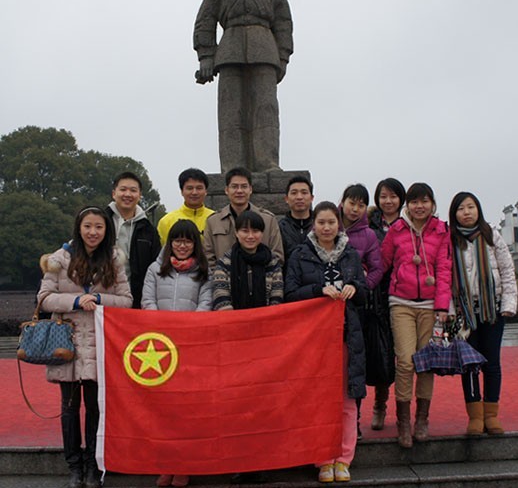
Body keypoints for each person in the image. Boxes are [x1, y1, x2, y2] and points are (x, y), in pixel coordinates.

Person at [38, 207, 133, 488]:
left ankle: (93, 464)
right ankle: (74, 467)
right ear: (79, 228)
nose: (93, 232)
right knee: (69, 407)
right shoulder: (59, 259)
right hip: (66, 340)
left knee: (95, 408)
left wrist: (99, 299)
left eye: (99, 227)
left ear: (107, 231)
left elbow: (126, 300)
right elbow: (44, 298)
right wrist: (76, 302)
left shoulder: (114, 259)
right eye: (88, 226)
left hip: (100, 341)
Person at [193, 0, 293, 172]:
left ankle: (267, 163)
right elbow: (205, 21)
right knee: (230, 111)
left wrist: (283, 56)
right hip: (229, 50)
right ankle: (232, 166)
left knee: (266, 109)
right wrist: (206, 55)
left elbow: (283, 22)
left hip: (264, 49)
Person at [285, 201, 367, 483]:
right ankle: (322, 458)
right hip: (313, 341)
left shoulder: (351, 255)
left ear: (338, 224)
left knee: (346, 399)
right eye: (321, 222)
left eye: (332, 222)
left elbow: (365, 293)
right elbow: (290, 293)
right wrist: (318, 291)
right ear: (314, 225)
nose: (327, 227)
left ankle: (344, 458)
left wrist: (355, 288)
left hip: (346, 336)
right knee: (316, 399)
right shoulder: (299, 255)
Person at [212, 210, 283, 483]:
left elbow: (277, 297)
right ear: (237, 233)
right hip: (234, 343)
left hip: (265, 342)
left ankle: (263, 460)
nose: (250, 236)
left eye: (255, 231)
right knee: (236, 404)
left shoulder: (273, 262)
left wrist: (264, 325)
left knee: (263, 403)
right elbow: (220, 296)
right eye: (245, 231)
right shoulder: (225, 262)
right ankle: (238, 461)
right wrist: (236, 326)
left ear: (262, 233)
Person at [381, 183, 452, 448]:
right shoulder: (396, 231)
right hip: (400, 303)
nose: (419, 206)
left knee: (426, 363)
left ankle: (421, 420)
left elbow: (444, 270)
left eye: (424, 201)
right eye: (414, 202)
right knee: (406, 362)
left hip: (431, 306)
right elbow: (382, 261)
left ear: (433, 204)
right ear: (407, 205)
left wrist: (443, 306)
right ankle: (402, 423)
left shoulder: (441, 231)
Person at [142, 219, 212, 487]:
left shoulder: (204, 272)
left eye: (187, 241)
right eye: (177, 240)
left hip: (191, 348)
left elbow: (206, 304)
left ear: (195, 244)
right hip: (160, 349)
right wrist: (162, 328)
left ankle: (184, 465)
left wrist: (187, 330)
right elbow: (147, 301)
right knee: (162, 412)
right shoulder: (154, 270)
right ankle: (166, 464)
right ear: (169, 242)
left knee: (188, 411)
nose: (182, 246)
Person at [449, 192, 518, 435]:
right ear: (454, 213)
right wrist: (448, 311)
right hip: (464, 313)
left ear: (478, 210)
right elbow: (446, 278)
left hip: (492, 310)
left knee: (492, 363)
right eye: (461, 208)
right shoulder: (450, 240)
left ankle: (491, 415)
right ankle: (475, 416)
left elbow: (508, 271)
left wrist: (509, 303)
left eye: (471, 207)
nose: (466, 212)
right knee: (469, 364)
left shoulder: (492, 236)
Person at [339, 184, 383, 441]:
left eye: (361, 204)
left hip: (356, 310)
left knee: (354, 366)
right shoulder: (326, 222)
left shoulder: (368, 236)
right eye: (351, 202)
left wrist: (360, 287)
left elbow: (377, 269)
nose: (355, 209)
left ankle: (353, 422)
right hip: (327, 309)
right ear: (342, 201)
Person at [365, 177, 406, 430]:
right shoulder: (369, 226)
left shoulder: (408, 225)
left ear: (400, 199)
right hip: (377, 296)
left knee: (403, 355)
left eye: (392, 196)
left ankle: (405, 410)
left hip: (404, 295)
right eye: (383, 196)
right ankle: (379, 405)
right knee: (381, 352)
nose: (387, 201)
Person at [203, 167, 284, 271]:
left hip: (261, 281)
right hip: (224, 282)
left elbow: (278, 256)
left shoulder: (268, 220)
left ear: (250, 189)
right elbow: (208, 257)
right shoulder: (213, 221)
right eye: (234, 186)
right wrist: (221, 277)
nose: (239, 191)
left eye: (244, 186)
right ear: (226, 190)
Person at [106, 171, 161, 308]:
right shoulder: (101, 222)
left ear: (140, 195)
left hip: (137, 299)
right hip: (103, 297)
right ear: (114, 193)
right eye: (123, 189)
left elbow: (156, 265)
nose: (128, 194)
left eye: (133, 190)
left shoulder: (148, 229)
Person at [157, 168, 215, 245]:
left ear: (206, 191)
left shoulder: (215, 218)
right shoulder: (166, 221)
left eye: (199, 188)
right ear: (181, 191)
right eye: (189, 188)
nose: (194, 192)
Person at [278, 175, 314, 266]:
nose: (299, 197)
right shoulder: (279, 228)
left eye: (304, 192)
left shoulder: (320, 225)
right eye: (294, 193)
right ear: (286, 199)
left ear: (312, 198)